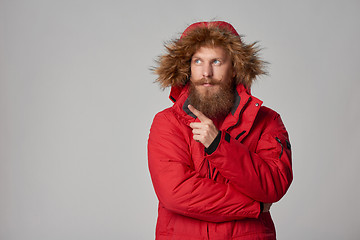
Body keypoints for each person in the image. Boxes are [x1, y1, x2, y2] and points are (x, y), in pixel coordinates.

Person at [148, 21, 293, 240]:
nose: (206, 72)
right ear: (187, 67)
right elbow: (175, 193)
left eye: (216, 61)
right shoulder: (167, 123)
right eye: (198, 61)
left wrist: (219, 144)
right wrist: (254, 205)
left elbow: (273, 185)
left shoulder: (267, 121)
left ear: (235, 68)